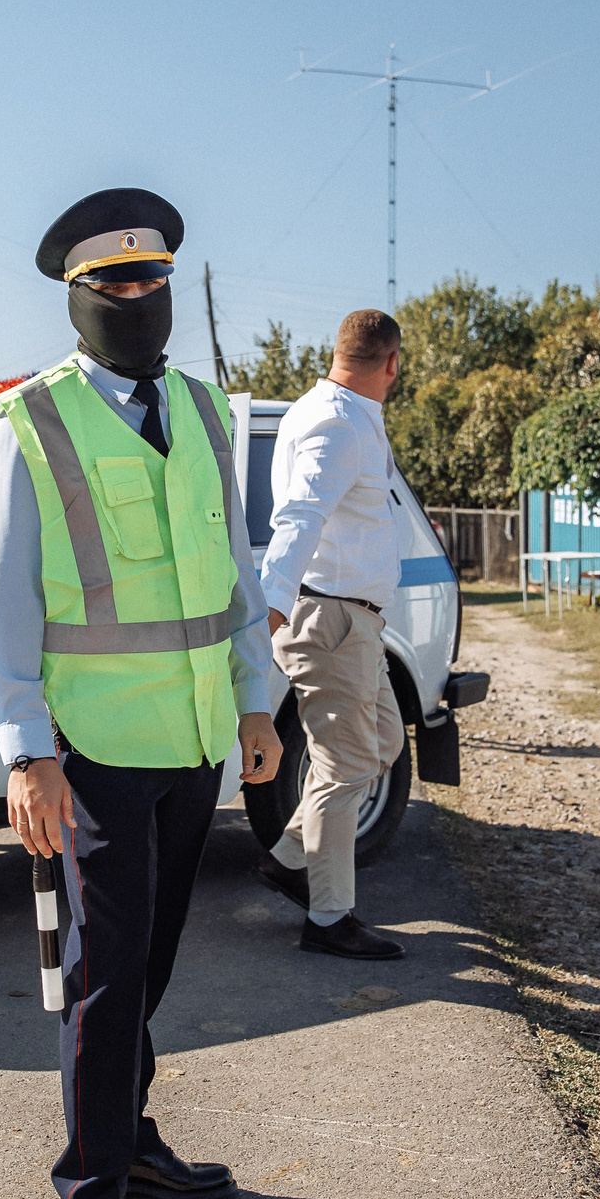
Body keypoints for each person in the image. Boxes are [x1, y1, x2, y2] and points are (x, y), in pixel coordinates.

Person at [0, 187, 282, 1199]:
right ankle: (90, 1194)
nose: (140, 297)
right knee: (102, 982)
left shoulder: (207, 413)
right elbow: (2, 602)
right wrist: (26, 751)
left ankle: (131, 1135)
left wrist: (256, 706)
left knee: (147, 963)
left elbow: (236, 580)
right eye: (117, 284)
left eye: (153, 279)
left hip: (195, 734)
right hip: (92, 745)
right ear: (79, 298)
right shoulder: (28, 423)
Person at [252, 309, 410, 960]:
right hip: (331, 620)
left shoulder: (339, 413)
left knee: (387, 741)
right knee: (345, 763)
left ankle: (293, 856)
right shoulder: (336, 424)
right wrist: (270, 604)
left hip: (356, 622)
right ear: (392, 364)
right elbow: (300, 517)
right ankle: (329, 917)